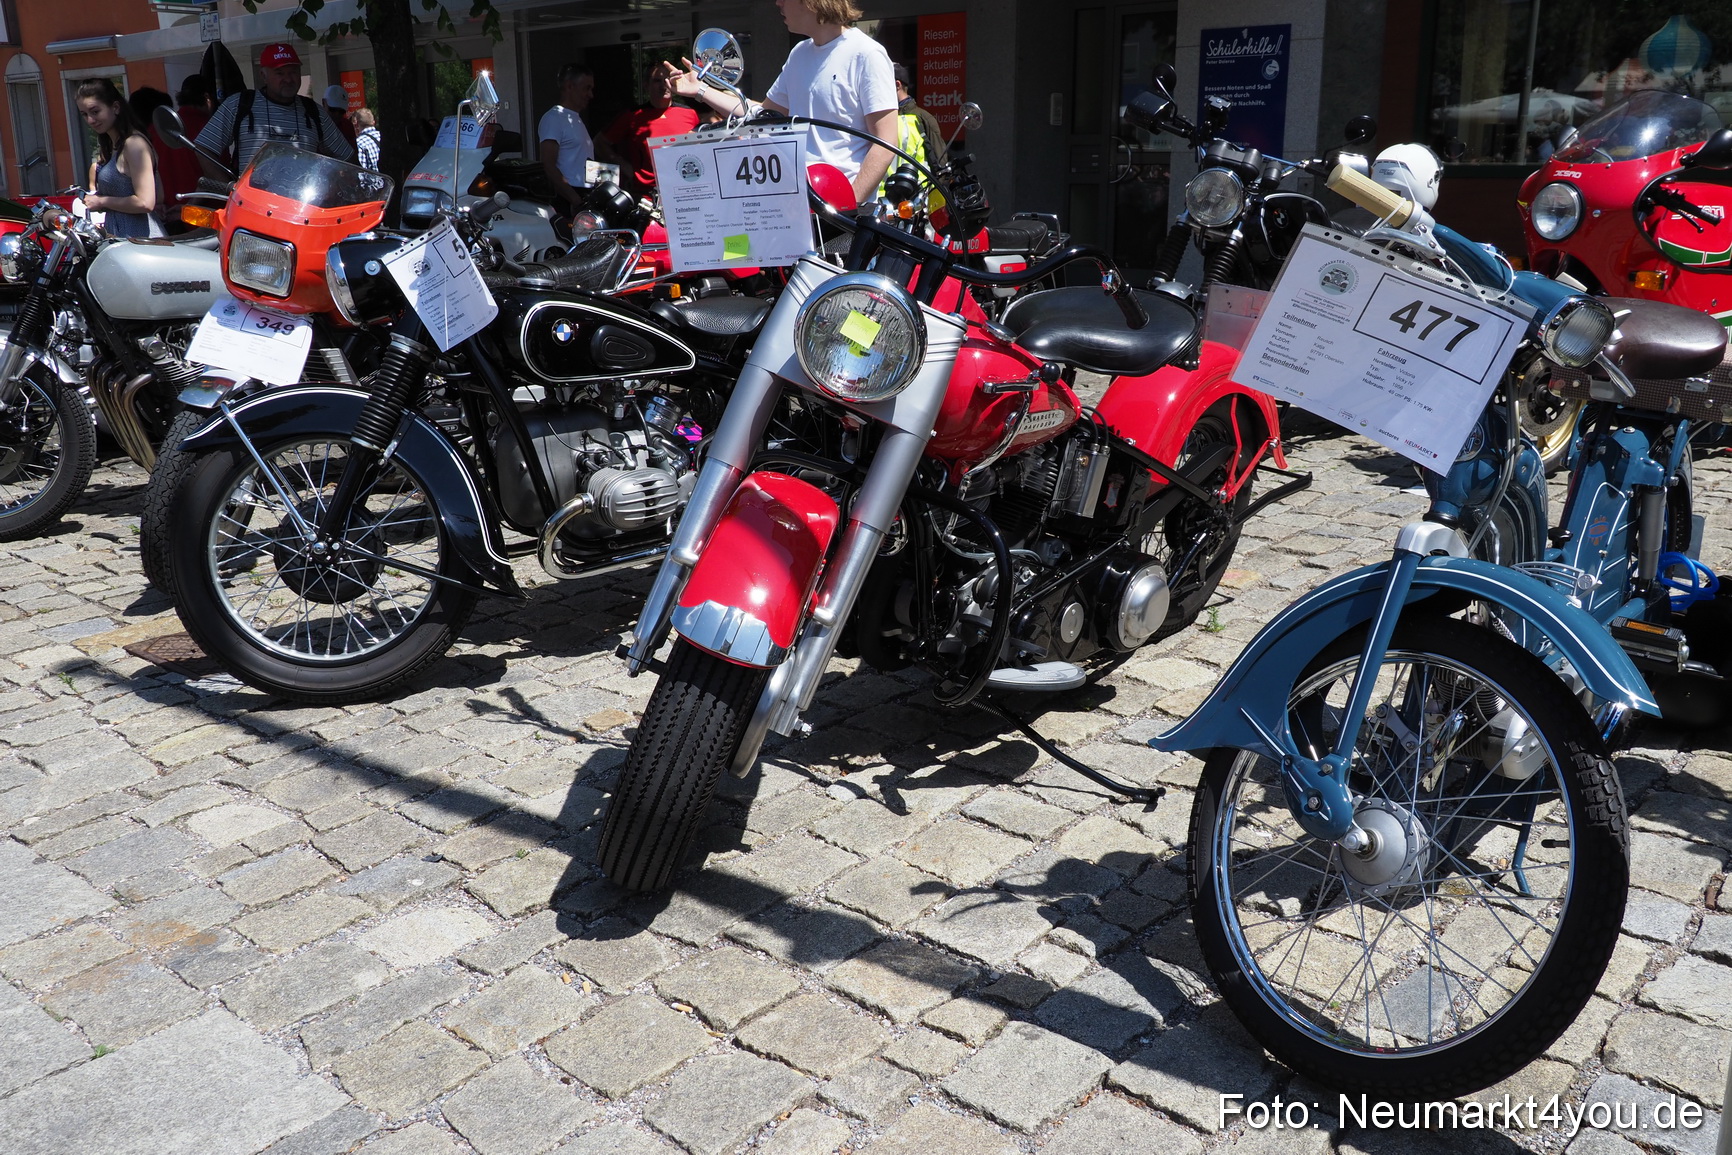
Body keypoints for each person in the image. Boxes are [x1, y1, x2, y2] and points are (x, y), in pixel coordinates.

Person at [673, 0, 897, 204]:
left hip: (842, 212)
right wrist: (701, 90)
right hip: (797, 204)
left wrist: (849, 203)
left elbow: (886, 142)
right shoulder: (799, 54)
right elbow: (762, 115)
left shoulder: (866, 54)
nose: (777, 3)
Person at [194, 42, 354, 178]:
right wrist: (229, 189)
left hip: (301, 211)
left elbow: (348, 158)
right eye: (280, 73)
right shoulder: (239, 104)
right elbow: (204, 148)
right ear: (264, 75)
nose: (288, 79)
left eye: (293, 72)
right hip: (250, 210)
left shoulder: (314, 112)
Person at [597, 59, 699, 199]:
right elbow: (600, 143)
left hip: (683, 192)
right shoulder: (632, 116)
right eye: (657, 81)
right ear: (646, 85)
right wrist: (627, 169)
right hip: (645, 195)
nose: (664, 85)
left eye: (667, 79)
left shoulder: (690, 114)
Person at [76, 79, 160, 239]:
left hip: (141, 241)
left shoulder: (134, 144)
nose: (90, 120)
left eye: (95, 111)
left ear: (115, 107)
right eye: (84, 114)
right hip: (123, 239)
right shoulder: (113, 145)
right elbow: (160, 194)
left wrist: (102, 201)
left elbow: (146, 202)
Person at [154, 74, 216, 220]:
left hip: (166, 215)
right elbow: (215, 176)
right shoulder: (211, 128)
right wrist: (189, 208)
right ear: (208, 98)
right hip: (202, 217)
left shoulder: (158, 129)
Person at [538, 64, 596, 213]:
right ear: (570, 86)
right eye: (586, 88)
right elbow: (548, 165)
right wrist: (576, 200)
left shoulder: (575, 118)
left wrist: (613, 178)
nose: (591, 95)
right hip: (568, 200)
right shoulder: (554, 118)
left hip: (585, 194)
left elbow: (581, 162)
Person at [353, 107, 381, 172]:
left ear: (356, 125)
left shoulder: (359, 143)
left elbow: (361, 173)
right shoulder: (382, 136)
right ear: (373, 122)